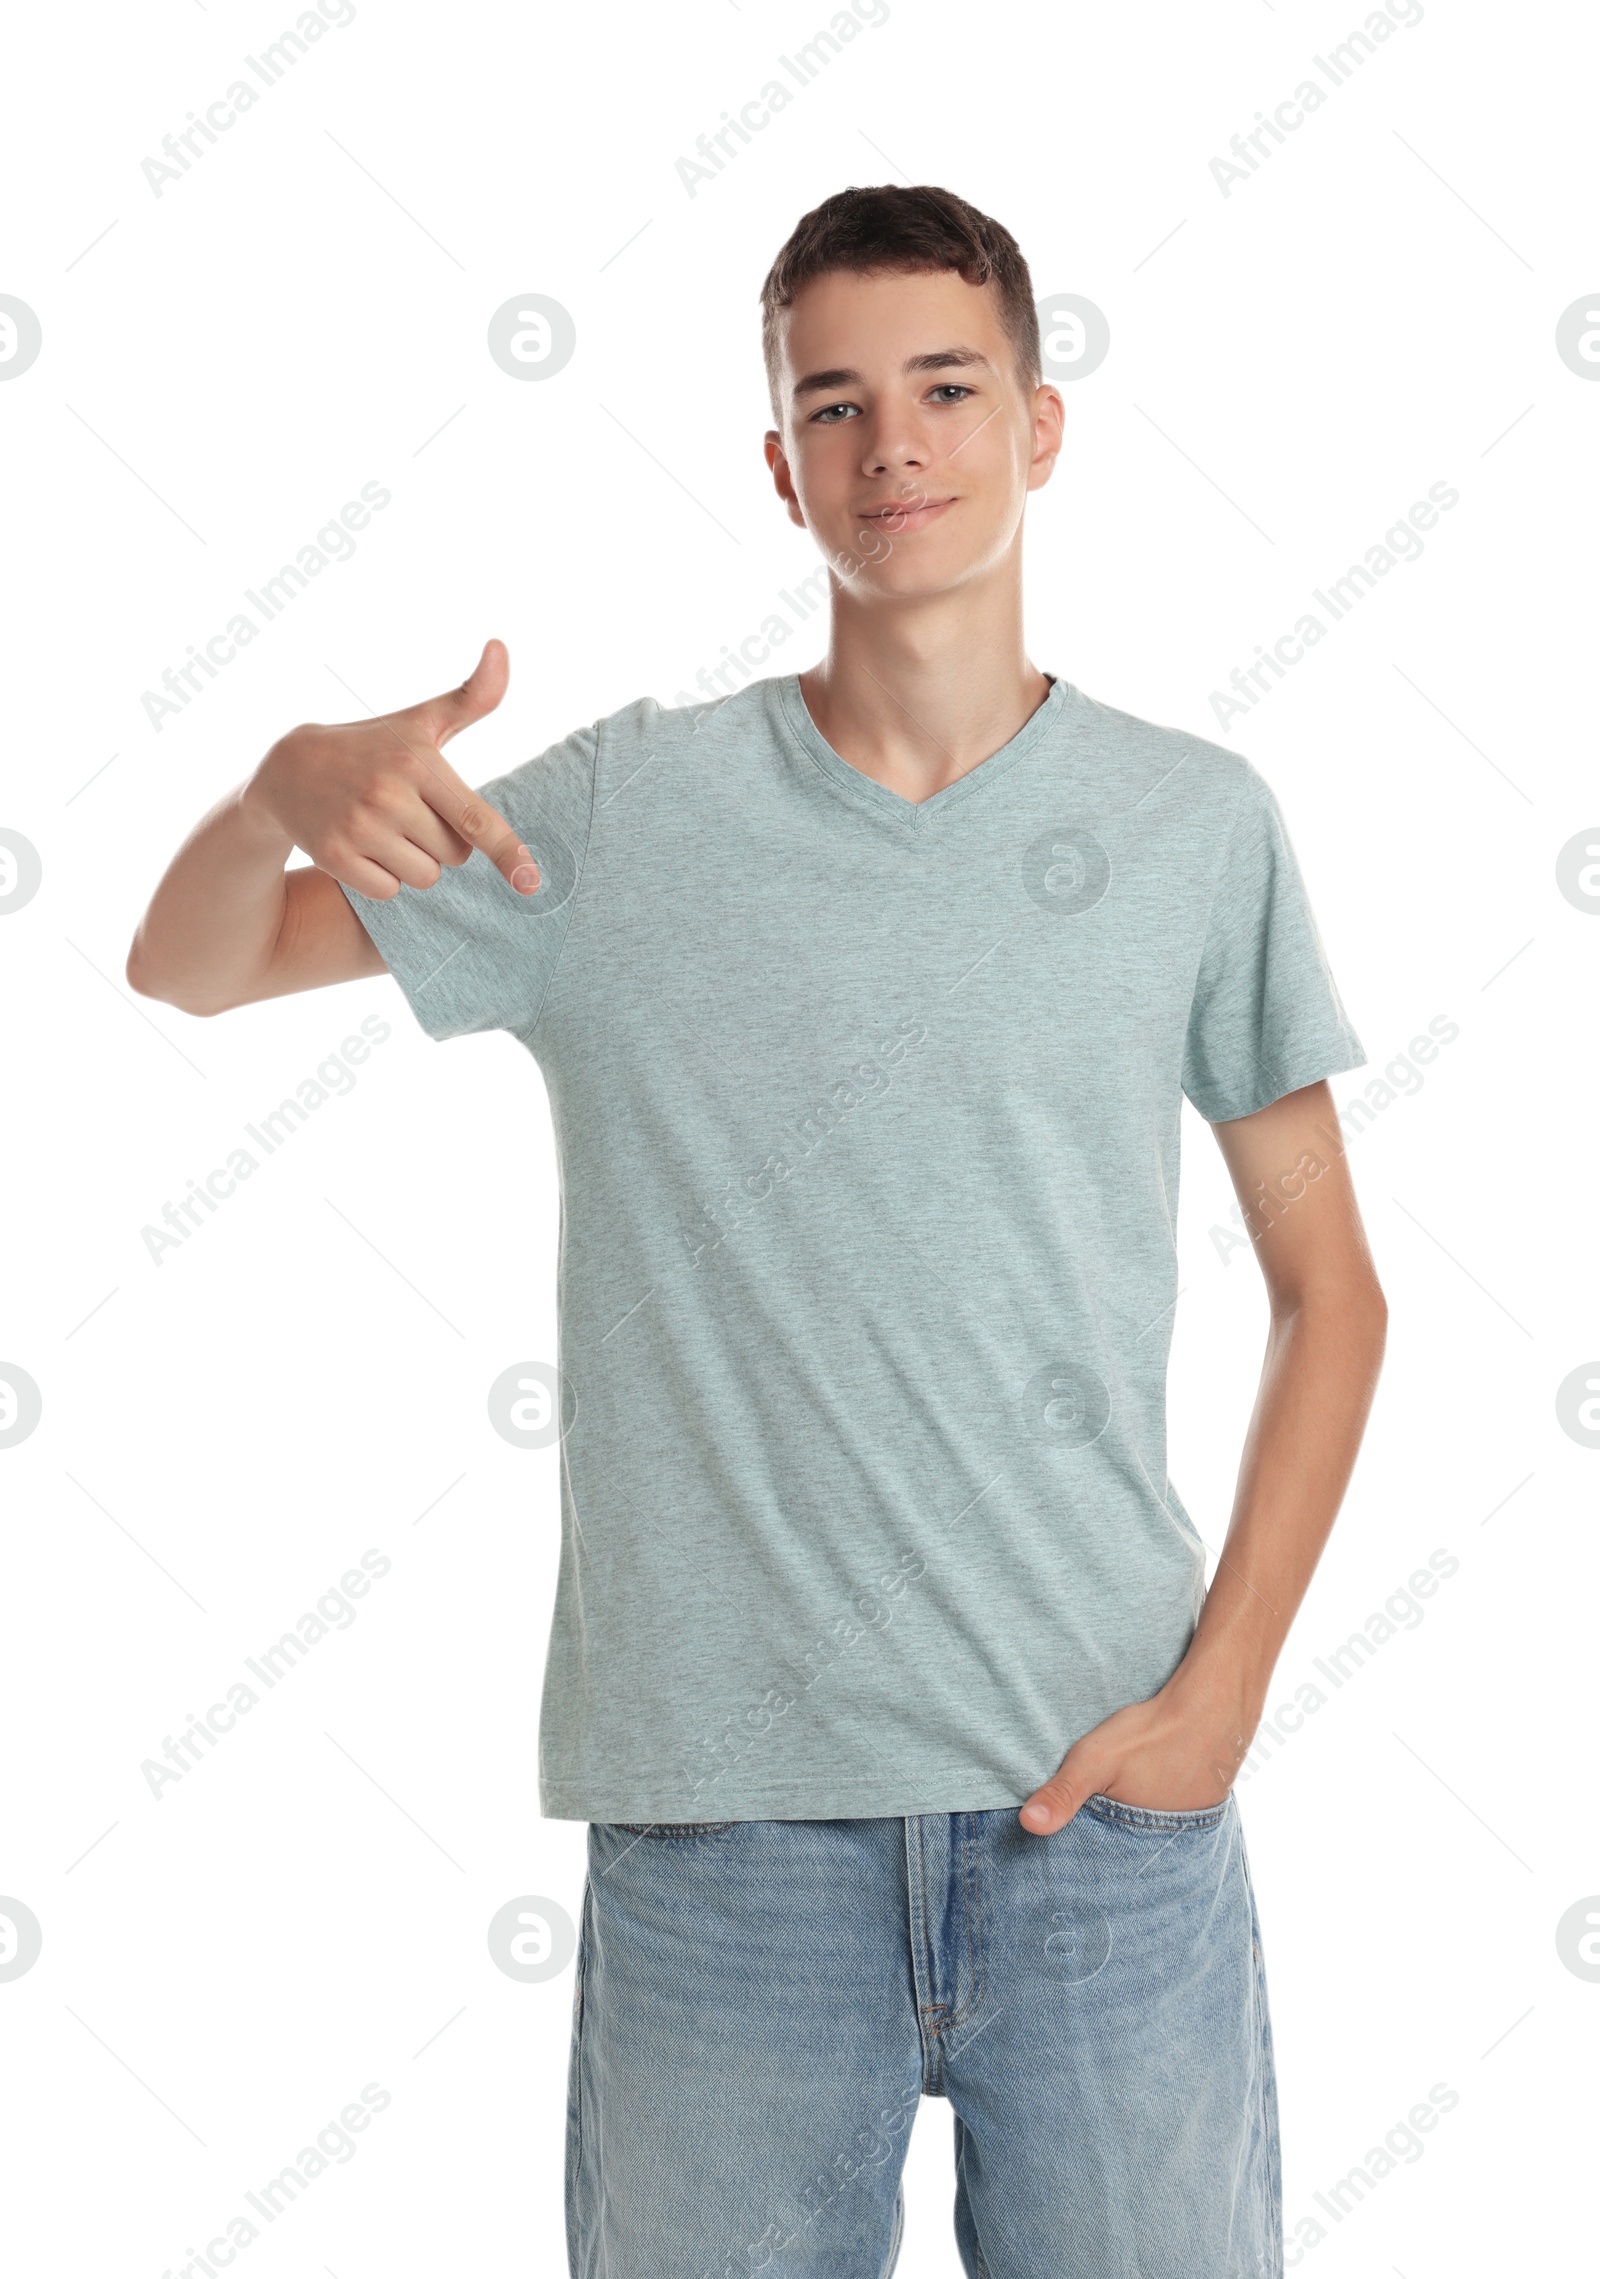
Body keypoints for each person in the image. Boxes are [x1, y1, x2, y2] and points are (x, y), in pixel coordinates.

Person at [128, 184, 1387, 2279]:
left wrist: (1225, 1689)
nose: (892, 443)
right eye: (835, 402)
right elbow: (190, 969)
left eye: (944, 387)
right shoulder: (620, 818)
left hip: (1101, 1816)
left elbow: (1325, 1287)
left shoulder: (1190, 829)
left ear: (1038, 427)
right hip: (727, 1854)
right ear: (779, 463)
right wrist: (276, 782)